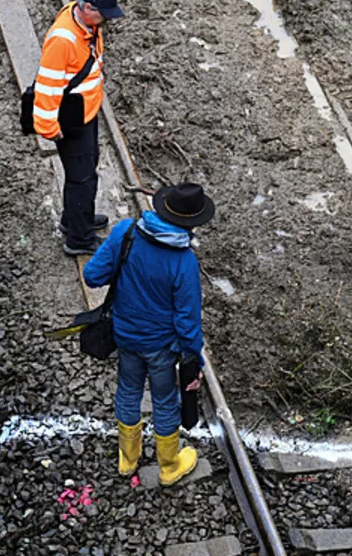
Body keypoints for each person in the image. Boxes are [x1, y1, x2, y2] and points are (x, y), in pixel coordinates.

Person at [82, 183, 215, 486]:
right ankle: (169, 466)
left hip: (125, 336)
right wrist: (194, 360)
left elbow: (92, 276)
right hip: (161, 348)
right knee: (166, 401)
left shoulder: (126, 233)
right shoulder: (183, 263)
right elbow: (188, 321)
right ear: (191, 223)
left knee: (128, 392)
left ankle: (127, 460)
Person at [33, 0, 125, 256]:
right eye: (103, 15)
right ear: (86, 8)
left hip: (85, 112)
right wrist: (49, 128)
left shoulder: (83, 23)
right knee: (83, 179)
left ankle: (73, 219)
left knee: (85, 170)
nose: (106, 22)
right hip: (70, 121)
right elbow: (46, 86)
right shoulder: (63, 40)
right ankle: (79, 239)